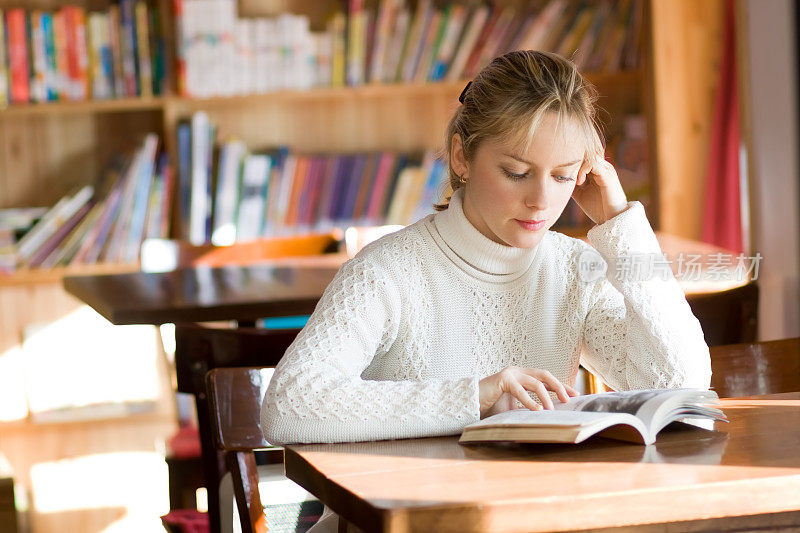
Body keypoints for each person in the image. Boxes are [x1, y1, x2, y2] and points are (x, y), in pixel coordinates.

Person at [260, 50, 711, 531]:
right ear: (462, 156)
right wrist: (474, 397)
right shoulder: (389, 270)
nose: (541, 199)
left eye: (562, 176)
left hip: (531, 518)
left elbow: (681, 383)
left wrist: (621, 223)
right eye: (516, 172)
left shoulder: (573, 267)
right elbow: (288, 405)